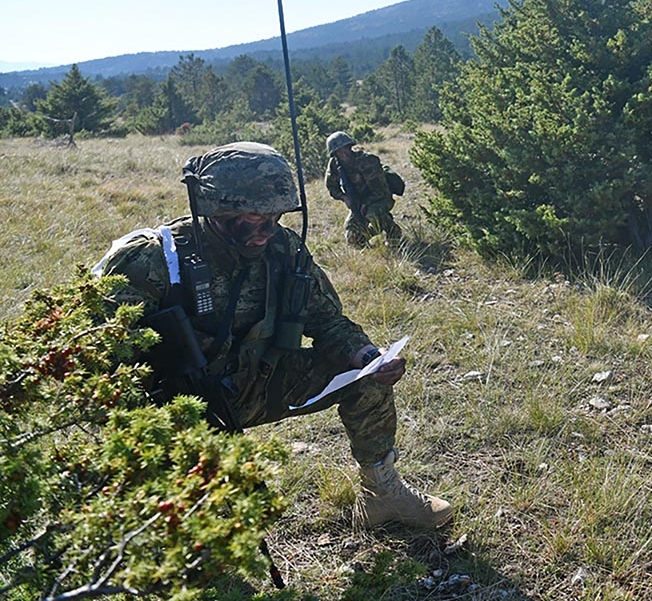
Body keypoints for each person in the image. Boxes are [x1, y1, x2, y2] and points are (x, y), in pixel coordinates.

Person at [92, 141, 451, 530]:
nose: (266, 231)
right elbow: (101, 360)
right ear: (217, 210)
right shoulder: (154, 260)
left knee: (366, 380)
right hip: (179, 412)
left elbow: (327, 320)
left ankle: (384, 496)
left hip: (259, 383)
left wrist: (365, 355)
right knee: (208, 535)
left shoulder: (283, 249)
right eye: (252, 218)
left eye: (275, 217)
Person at [324, 131, 407, 248]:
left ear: (350, 147)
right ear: (335, 153)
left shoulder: (368, 161)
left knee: (372, 215)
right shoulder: (335, 165)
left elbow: (380, 191)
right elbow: (331, 187)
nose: (344, 154)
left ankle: (393, 231)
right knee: (352, 236)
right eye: (339, 151)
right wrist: (344, 197)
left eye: (345, 149)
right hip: (358, 201)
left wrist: (365, 204)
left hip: (380, 198)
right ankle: (370, 247)